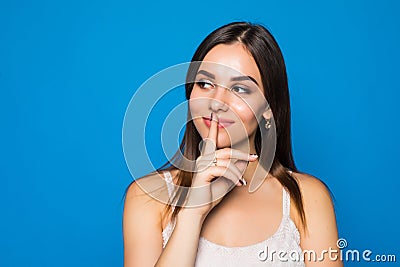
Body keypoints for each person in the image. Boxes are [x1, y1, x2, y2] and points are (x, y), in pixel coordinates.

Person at [123, 22, 342, 266]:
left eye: (239, 88)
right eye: (205, 83)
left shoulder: (306, 198)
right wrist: (192, 213)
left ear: (267, 109)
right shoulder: (148, 197)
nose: (217, 102)